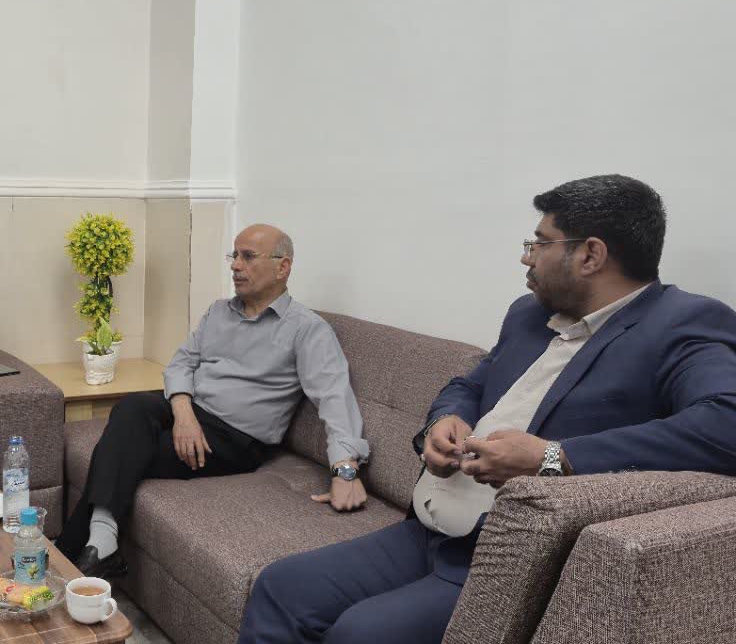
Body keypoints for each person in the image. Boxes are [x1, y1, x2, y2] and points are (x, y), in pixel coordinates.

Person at [238, 174, 736, 644]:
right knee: (281, 587)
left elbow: (725, 422)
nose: (526, 258)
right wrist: (444, 420)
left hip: (499, 557)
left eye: (539, 244)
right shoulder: (528, 315)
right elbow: (468, 384)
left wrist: (552, 457)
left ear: (590, 255)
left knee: (362, 632)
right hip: (425, 530)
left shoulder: (681, 324)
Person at [57, 224, 371, 578]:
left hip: (234, 439)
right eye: (234, 256)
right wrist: (183, 413)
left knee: (120, 453)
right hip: (192, 411)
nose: (235, 265)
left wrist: (345, 471)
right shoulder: (219, 312)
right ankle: (98, 550)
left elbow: (334, 398)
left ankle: (71, 556)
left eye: (248, 257)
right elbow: (181, 364)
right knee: (132, 406)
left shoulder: (307, 329)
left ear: (282, 267)